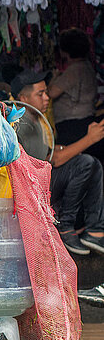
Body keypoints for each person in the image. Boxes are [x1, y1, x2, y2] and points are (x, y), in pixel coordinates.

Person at [11, 69, 104, 255]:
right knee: (85, 163)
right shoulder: (23, 122)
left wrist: (59, 149)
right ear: (24, 97)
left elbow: (49, 154)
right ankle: (65, 225)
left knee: (94, 165)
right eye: (40, 94)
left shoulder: (37, 119)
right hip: (32, 194)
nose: (47, 98)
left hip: (42, 185)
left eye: (46, 92)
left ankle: (95, 230)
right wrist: (89, 139)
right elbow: (55, 161)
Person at [48, 28, 100, 160]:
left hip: (72, 125)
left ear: (65, 52)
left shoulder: (74, 70)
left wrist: (54, 77)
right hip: (85, 120)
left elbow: (52, 93)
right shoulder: (87, 66)